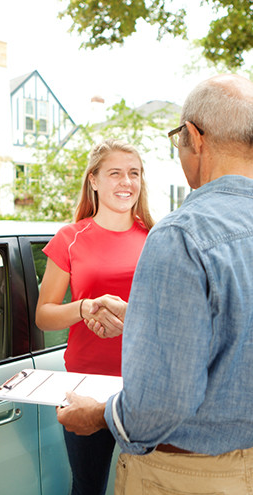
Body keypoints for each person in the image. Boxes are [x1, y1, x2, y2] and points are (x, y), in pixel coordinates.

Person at [56, 73, 253, 494]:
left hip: (191, 475)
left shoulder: (179, 235)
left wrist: (97, 417)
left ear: (195, 137)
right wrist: (144, 320)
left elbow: (163, 402)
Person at [35, 138, 154, 495]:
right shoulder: (70, 238)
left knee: (151, 485)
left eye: (134, 173)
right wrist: (83, 308)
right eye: (115, 173)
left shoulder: (158, 237)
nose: (126, 182)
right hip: (87, 385)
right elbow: (44, 316)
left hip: (145, 383)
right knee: (88, 487)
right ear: (94, 180)